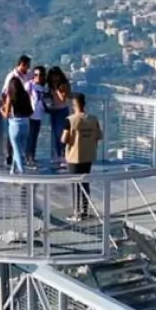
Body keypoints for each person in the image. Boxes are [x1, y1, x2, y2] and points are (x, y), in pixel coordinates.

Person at [61, 93, 102, 221]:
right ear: (84, 104)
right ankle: (85, 210)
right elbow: (99, 136)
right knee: (85, 183)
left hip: (74, 156)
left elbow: (64, 139)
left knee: (75, 184)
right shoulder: (93, 119)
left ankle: (77, 212)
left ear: (74, 105)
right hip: (88, 155)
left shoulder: (70, 120)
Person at [2, 55, 32, 167]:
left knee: (18, 146)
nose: (28, 69)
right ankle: (13, 163)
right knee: (17, 146)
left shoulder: (27, 76)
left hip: (18, 117)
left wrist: (4, 110)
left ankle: (20, 170)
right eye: (27, 66)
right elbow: (4, 93)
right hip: (22, 117)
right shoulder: (11, 76)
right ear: (22, 64)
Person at [46, 66, 71, 167]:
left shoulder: (63, 85)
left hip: (62, 110)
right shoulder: (51, 86)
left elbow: (63, 98)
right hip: (54, 110)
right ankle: (57, 155)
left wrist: (57, 89)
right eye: (52, 77)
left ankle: (64, 155)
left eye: (56, 76)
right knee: (55, 134)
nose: (54, 79)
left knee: (61, 133)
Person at [25, 65, 47, 167]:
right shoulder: (29, 85)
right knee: (29, 137)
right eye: (36, 75)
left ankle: (32, 157)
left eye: (40, 75)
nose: (38, 77)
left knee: (34, 137)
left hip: (38, 115)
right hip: (30, 115)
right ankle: (27, 157)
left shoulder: (42, 88)